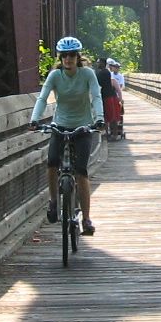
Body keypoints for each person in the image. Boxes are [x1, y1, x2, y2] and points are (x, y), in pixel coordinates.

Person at [31, 36, 105, 233]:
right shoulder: (55, 76)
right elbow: (42, 98)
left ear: (77, 56)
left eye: (72, 55)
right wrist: (34, 119)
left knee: (81, 171)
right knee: (52, 162)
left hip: (83, 126)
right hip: (60, 125)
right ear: (60, 57)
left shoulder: (87, 74)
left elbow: (96, 96)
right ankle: (53, 201)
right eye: (64, 55)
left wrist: (99, 118)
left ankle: (86, 219)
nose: (68, 59)